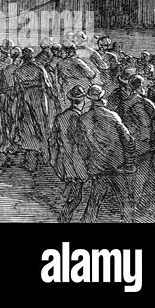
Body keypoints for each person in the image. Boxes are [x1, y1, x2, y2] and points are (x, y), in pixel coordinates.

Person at [79, 85, 135, 222]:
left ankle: (87, 221)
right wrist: (130, 162)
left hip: (98, 165)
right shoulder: (113, 116)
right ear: (102, 98)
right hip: (117, 164)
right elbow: (128, 140)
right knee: (125, 199)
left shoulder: (84, 118)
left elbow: (81, 145)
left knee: (95, 199)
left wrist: (89, 163)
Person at [117, 74, 155, 219]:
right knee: (140, 178)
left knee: (129, 176)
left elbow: (118, 127)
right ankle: (133, 206)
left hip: (128, 146)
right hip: (145, 146)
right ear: (140, 86)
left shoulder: (123, 104)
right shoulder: (147, 103)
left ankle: (129, 207)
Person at [48, 85, 90, 222]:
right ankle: (64, 218)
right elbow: (83, 142)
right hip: (76, 161)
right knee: (76, 195)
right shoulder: (80, 119)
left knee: (74, 191)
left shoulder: (60, 117)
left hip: (64, 159)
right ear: (82, 101)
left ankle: (64, 217)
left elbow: (53, 141)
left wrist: (54, 159)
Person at [12, 47, 54, 173]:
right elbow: (48, 86)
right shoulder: (40, 69)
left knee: (28, 127)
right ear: (32, 57)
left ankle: (31, 162)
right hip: (39, 98)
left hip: (25, 99)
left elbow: (16, 90)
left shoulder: (18, 71)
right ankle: (47, 157)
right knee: (43, 125)